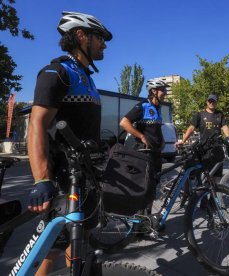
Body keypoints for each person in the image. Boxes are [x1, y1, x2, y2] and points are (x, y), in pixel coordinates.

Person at [27, 11, 112, 275]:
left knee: (80, 241)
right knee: (51, 246)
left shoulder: (87, 77)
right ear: (80, 36)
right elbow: (36, 124)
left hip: (85, 175)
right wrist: (41, 179)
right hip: (64, 178)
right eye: (100, 38)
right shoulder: (58, 71)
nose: (104, 44)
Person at [119, 79, 167, 215]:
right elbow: (124, 122)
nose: (165, 93)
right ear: (154, 91)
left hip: (156, 153)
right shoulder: (143, 106)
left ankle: (147, 218)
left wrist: (162, 141)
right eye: (163, 90)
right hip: (145, 154)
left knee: (153, 187)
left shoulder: (157, 108)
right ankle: (140, 221)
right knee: (145, 187)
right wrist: (141, 136)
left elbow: (156, 129)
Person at [177, 94, 229, 181]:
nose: (211, 103)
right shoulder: (200, 114)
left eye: (213, 101)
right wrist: (183, 141)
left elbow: (225, 127)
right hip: (204, 149)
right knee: (206, 175)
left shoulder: (219, 114)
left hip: (217, 149)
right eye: (210, 101)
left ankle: (216, 194)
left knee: (217, 175)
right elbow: (191, 128)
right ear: (207, 102)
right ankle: (203, 192)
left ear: (216, 102)